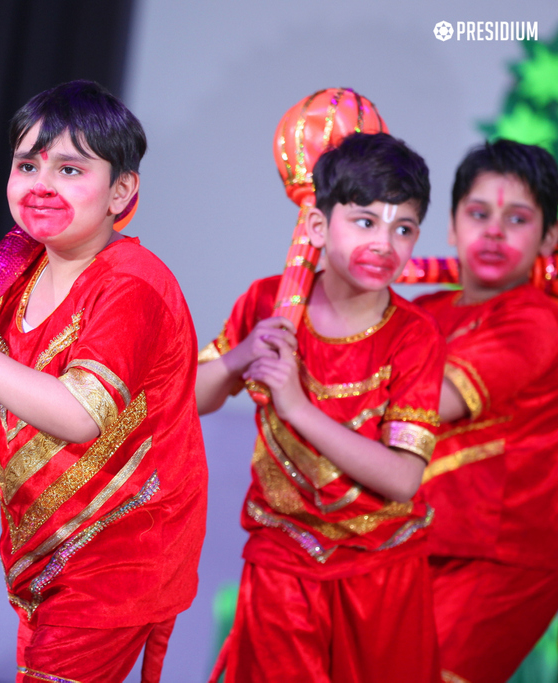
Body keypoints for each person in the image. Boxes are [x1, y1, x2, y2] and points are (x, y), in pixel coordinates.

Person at [0, 80, 207, 683]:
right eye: (28, 165)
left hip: (120, 557)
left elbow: (78, 414)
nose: (42, 185)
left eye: (70, 169)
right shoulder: (15, 271)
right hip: (46, 556)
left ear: (121, 191)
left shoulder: (132, 284)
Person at [197, 132, 444, 682]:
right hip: (282, 560)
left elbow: (403, 478)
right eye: (365, 222)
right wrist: (240, 355)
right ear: (315, 226)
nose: (385, 244)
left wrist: (297, 408)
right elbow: (189, 399)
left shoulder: (414, 336)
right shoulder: (268, 303)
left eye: (403, 229)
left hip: (382, 568)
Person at [416, 140, 558, 683]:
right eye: (479, 214)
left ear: (549, 237)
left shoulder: (536, 318)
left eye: (517, 219)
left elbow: (436, 402)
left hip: (496, 563)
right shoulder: (422, 312)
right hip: (411, 543)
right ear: (452, 226)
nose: (494, 232)